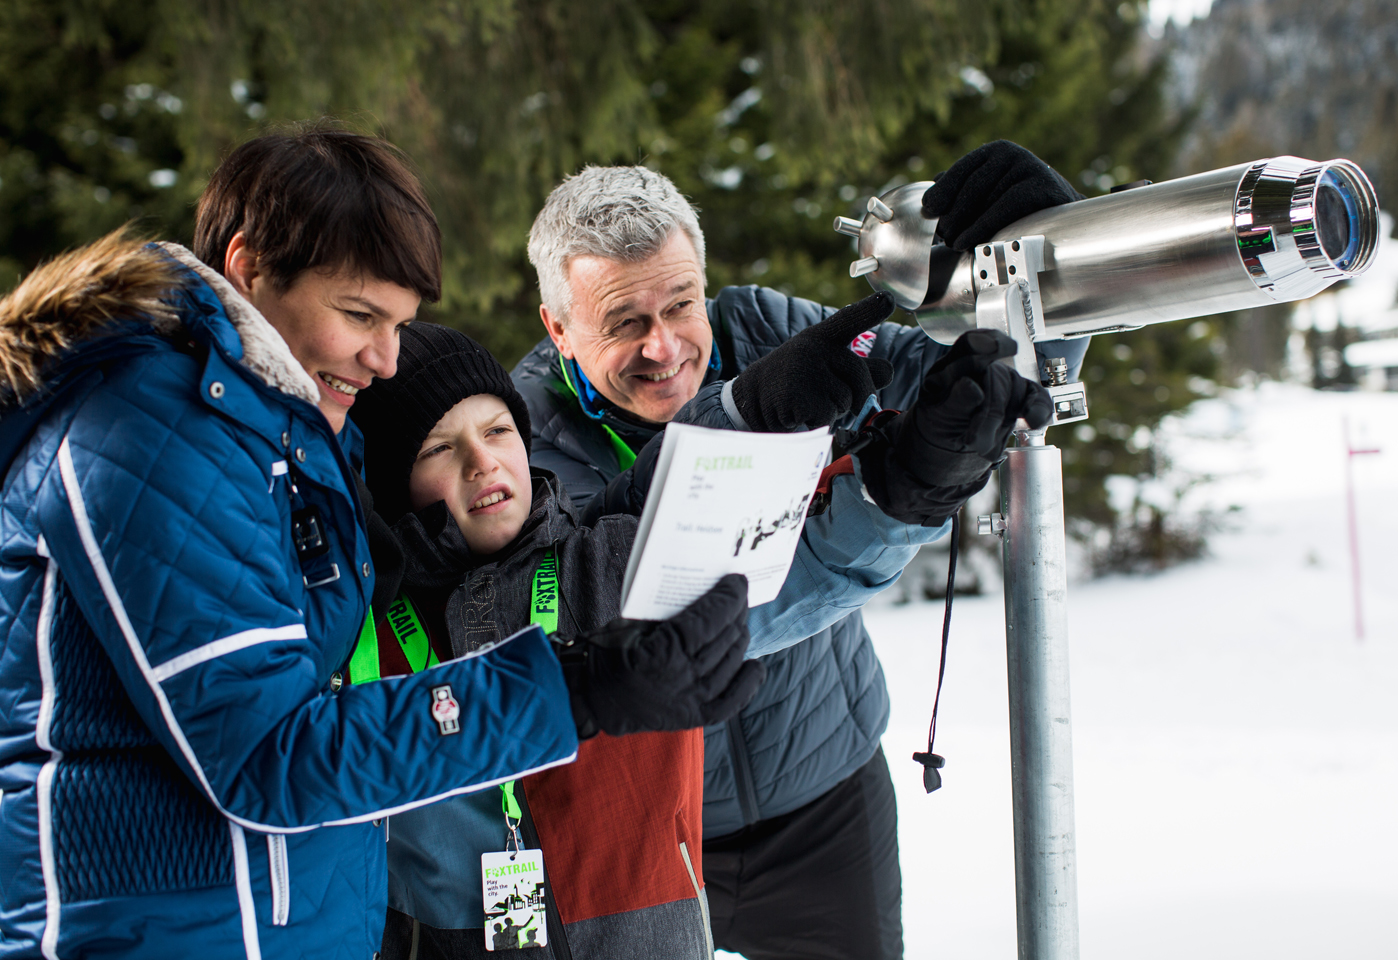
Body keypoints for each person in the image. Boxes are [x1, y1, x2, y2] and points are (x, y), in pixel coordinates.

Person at [0, 127, 758, 960]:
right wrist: (577, 689)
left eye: (400, 322)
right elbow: (269, 754)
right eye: (360, 315)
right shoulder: (154, 437)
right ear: (250, 269)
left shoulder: (272, 433)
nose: (386, 358)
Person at [513, 141, 1082, 959]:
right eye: (625, 323)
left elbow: (983, 386)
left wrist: (1041, 282)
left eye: (680, 304)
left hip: (825, 793)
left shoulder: (756, 328)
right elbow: (686, 623)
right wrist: (894, 495)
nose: (666, 347)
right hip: (649, 831)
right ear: (558, 327)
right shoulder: (521, 448)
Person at [351, 304, 995, 957]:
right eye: (438, 447)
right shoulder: (358, 632)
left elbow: (787, 568)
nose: (481, 461)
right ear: (387, 483)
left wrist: (907, 485)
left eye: (496, 430)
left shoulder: (599, 569)